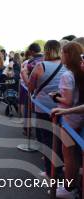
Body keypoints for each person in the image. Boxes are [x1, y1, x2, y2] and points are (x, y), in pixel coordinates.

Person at [23, 40, 67, 178]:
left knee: (46, 140)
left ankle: (50, 172)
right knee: (60, 141)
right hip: (62, 109)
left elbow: (30, 87)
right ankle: (58, 171)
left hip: (44, 109)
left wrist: (24, 74)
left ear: (46, 50)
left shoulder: (40, 66)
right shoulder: (66, 65)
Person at [50, 42, 84, 197]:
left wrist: (55, 96)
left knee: (69, 155)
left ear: (67, 55)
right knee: (75, 155)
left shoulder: (67, 74)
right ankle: (74, 184)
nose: (60, 56)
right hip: (79, 118)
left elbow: (68, 101)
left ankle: (68, 188)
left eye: (63, 53)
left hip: (69, 118)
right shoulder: (78, 72)